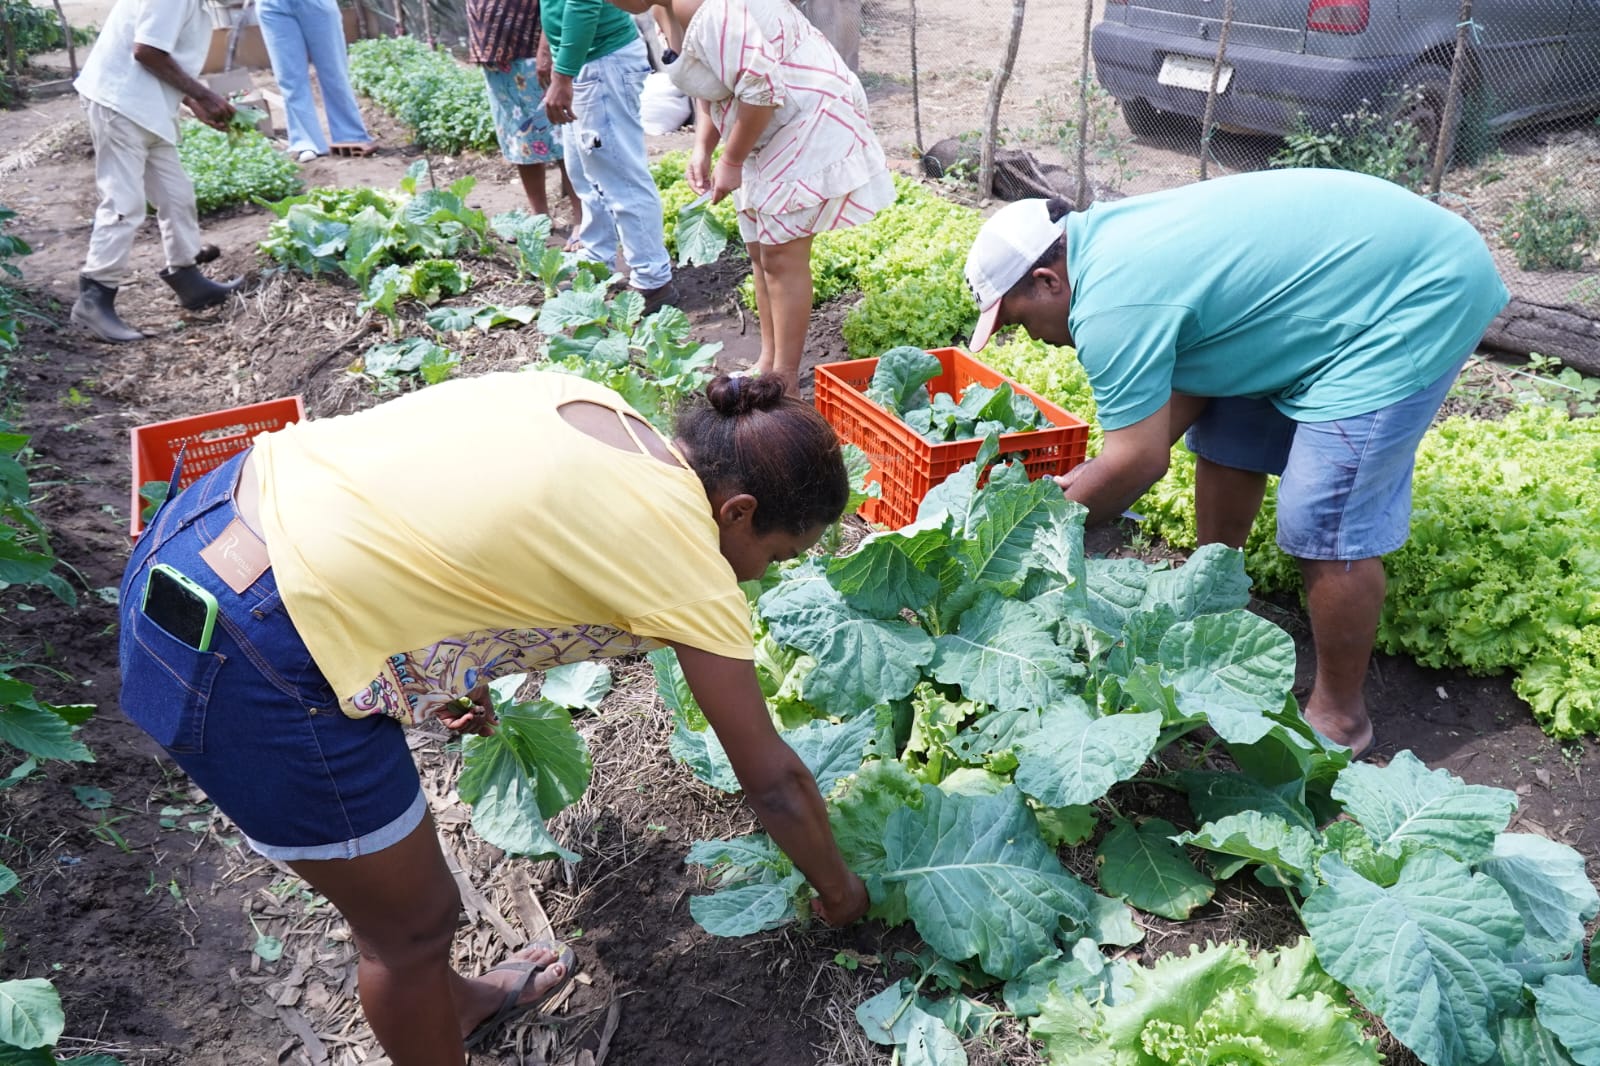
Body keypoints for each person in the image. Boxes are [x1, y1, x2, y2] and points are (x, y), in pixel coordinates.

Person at [118, 371, 868, 1062]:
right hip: (248, 646)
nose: (767, 573)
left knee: (412, 912)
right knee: (408, 931)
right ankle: (430, 1002)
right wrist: (842, 894)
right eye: (779, 552)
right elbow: (773, 784)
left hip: (210, 518)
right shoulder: (688, 562)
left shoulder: (600, 408)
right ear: (738, 513)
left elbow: (456, 505)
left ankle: (458, 1006)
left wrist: (447, 657)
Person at [963, 168, 1510, 758]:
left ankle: (1341, 718)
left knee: (1324, 517)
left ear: (1047, 280)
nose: (1034, 339)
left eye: (1018, 322)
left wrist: (1031, 534)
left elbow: (1137, 463)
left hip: (1414, 292)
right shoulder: (1107, 247)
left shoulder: (1109, 305)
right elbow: (1170, 417)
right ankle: (1216, 600)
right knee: (1226, 432)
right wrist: (1095, 478)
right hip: (1340, 279)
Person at [606, 0, 894, 397]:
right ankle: (768, 363)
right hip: (762, 123)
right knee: (760, 251)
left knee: (781, 254)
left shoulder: (705, 7)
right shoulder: (660, 10)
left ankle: (785, 383)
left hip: (805, 111)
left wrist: (732, 158)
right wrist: (703, 148)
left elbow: (761, 88)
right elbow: (711, 78)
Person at [70, 0, 244, 344]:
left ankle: (188, 278)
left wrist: (192, 101)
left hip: (148, 107)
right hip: (120, 103)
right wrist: (204, 94)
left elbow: (161, 53)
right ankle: (94, 297)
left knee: (176, 194)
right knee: (124, 204)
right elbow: (147, 51)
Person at [536, 0, 677, 310]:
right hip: (583, 59)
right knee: (585, 172)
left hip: (601, 60)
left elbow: (583, 3)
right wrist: (547, 49)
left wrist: (563, 75)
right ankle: (597, 257)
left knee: (620, 175)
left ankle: (653, 280)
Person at [466, 0, 583, 229]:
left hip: (530, 47)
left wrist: (545, 47)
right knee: (520, 137)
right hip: (495, 53)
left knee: (561, 132)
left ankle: (582, 216)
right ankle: (540, 216)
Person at [256, 0, 375, 163]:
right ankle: (305, 142)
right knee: (289, 77)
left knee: (334, 72)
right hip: (272, 6)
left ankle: (350, 135)